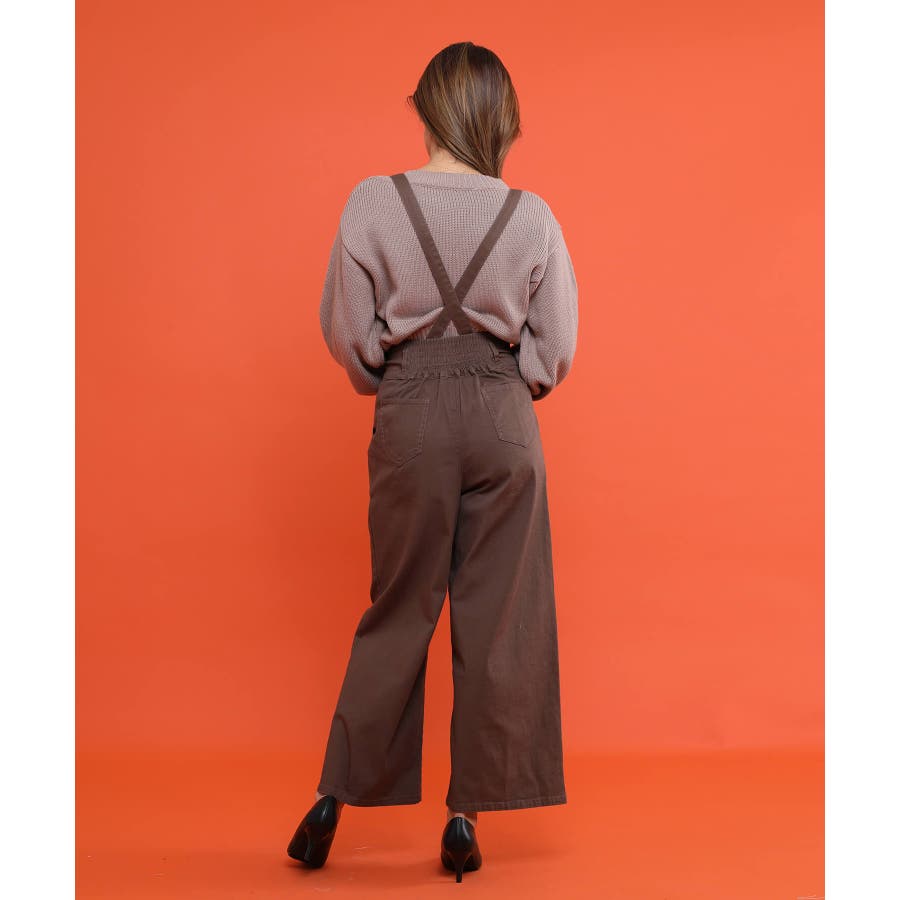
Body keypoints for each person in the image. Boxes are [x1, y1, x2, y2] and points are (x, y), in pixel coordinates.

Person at [287, 40, 578, 883]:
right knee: (500, 621)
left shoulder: (372, 202)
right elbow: (556, 344)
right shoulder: (531, 215)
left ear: (425, 111)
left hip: (410, 411)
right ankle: (464, 818)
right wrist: (509, 384)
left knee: (398, 608)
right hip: (502, 416)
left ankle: (331, 800)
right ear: (502, 121)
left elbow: (347, 327)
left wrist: (395, 377)